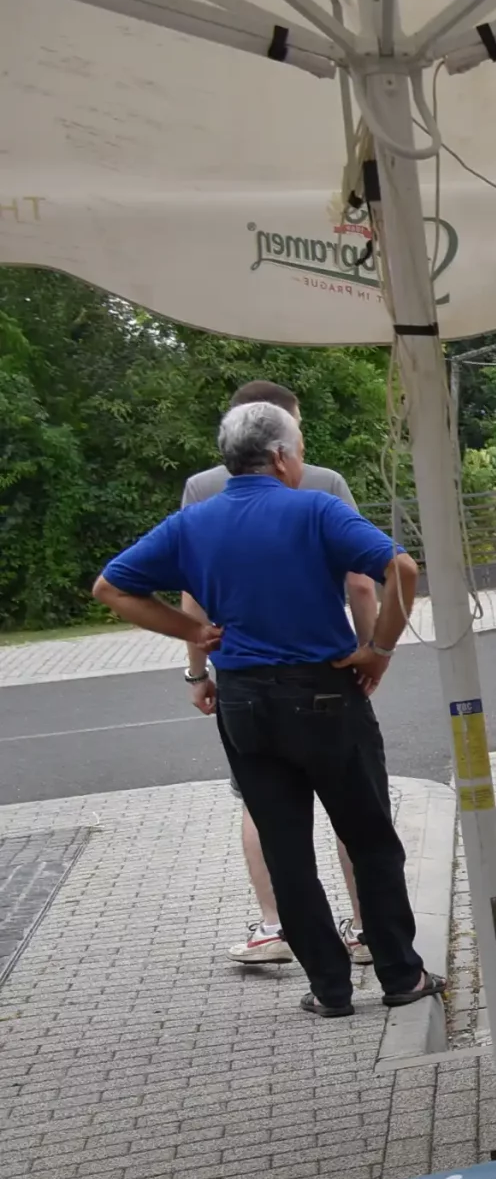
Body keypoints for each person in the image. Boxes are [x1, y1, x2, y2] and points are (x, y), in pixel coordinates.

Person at [92, 400, 444, 1017]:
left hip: (245, 703)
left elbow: (111, 587)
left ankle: (330, 990)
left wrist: (194, 634)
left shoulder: (193, 523)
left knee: (286, 850)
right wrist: (379, 649)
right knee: (369, 838)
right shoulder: (315, 508)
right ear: (281, 456)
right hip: (327, 694)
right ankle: (400, 976)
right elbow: (399, 569)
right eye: (300, 446)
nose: (301, 456)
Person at [181, 380, 378, 969]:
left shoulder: (202, 490)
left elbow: (192, 593)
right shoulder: (324, 486)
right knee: (353, 803)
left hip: (242, 682)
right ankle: (370, 933)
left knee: (262, 809)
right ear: (284, 441)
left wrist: (198, 672)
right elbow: (366, 579)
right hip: (326, 672)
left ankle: (277, 929)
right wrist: (371, 648)